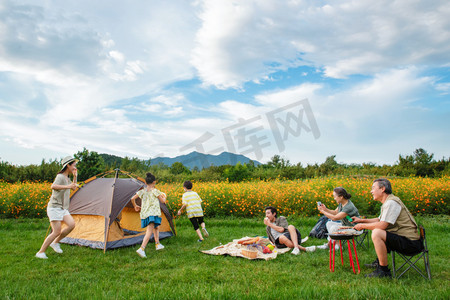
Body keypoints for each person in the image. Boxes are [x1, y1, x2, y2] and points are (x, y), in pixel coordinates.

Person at [353, 178, 423, 278]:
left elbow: (382, 225)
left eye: (373, 188)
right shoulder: (388, 201)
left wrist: (362, 226)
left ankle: (383, 271)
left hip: (411, 243)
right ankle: (379, 263)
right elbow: (379, 220)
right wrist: (361, 220)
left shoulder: (391, 203)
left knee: (377, 232)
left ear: (382, 189)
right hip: (406, 239)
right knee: (379, 231)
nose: (371, 191)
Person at [36, 156, 78, 259]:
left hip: (63, 208)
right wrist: (68, 186)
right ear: (68, 165)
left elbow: (73, 188)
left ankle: (55, 242)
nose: (75, 167)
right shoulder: (60, 177)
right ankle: (40, 252)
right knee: (56, 231)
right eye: (74, 165)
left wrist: (75, 176)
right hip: (54, 207)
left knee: (71, 225)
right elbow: (53, 186)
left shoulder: (67, 178)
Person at [131, 172, 167, 258]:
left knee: (156, 227)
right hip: (153, 213)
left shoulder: (142, 192)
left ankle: (157, 244)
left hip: (146, 213)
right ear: (154, 182)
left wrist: (135, 205)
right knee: (149, 230)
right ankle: (142, 249)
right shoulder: (155, 191)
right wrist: (165, 196)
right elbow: (163, 201)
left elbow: (132, 198)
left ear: (146, 183)